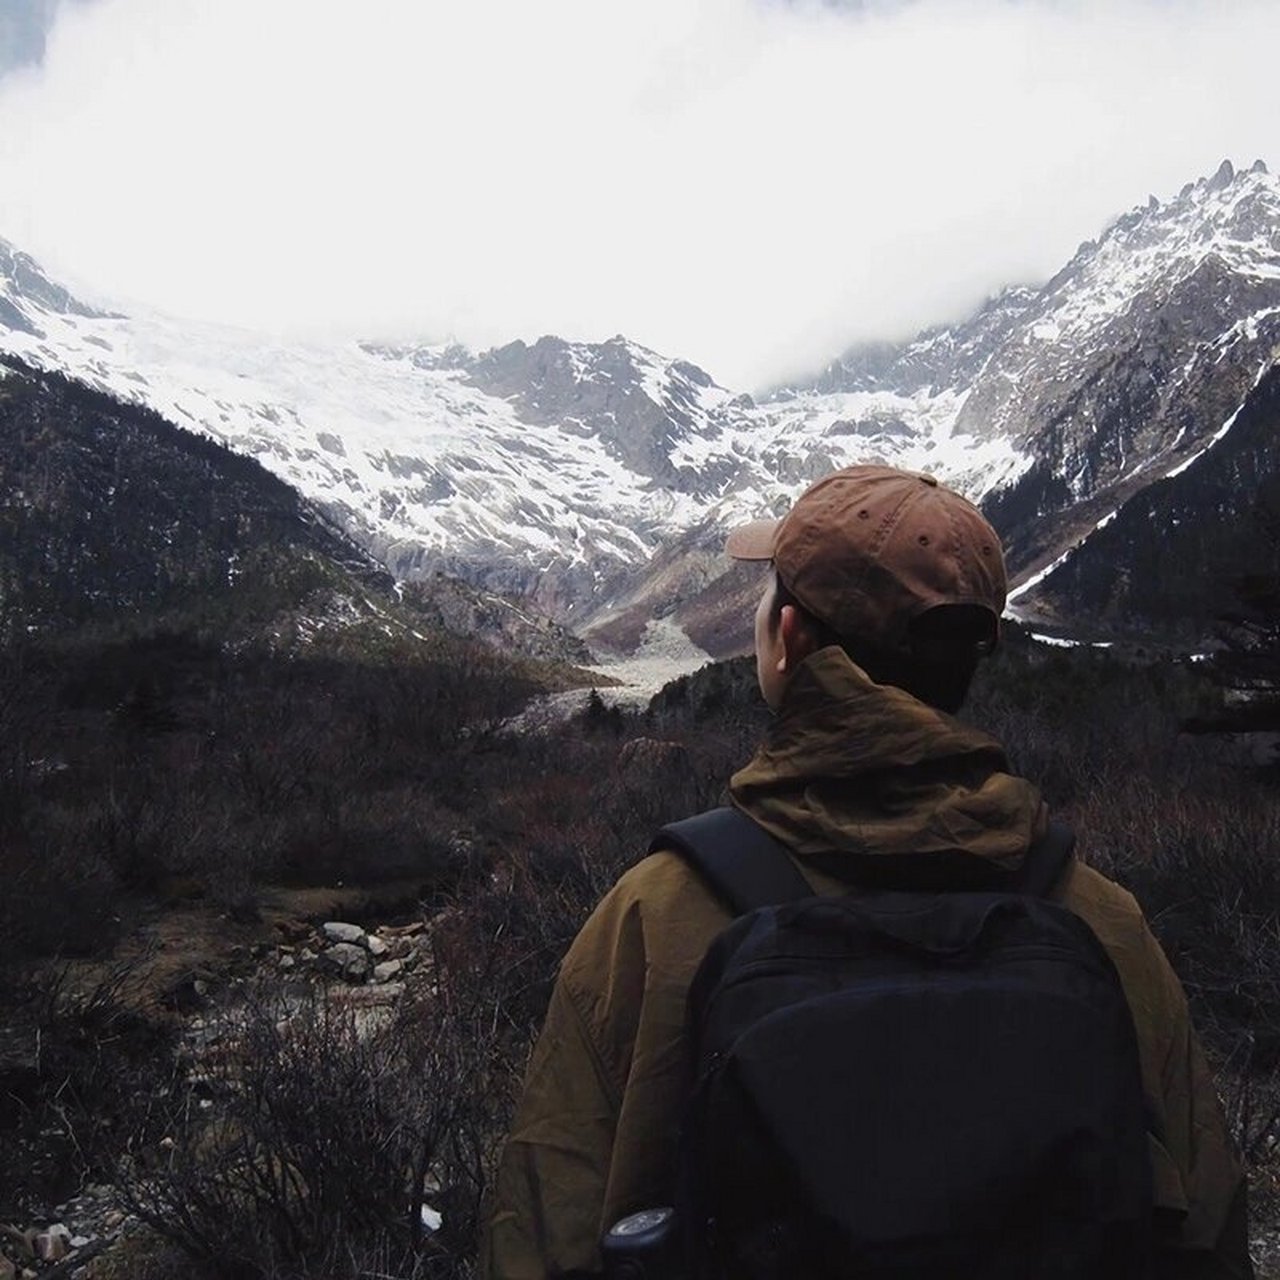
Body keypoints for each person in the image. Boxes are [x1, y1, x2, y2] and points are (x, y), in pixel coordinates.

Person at [481, 464, 1252, 1279]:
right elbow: (1205, 1222)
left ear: (790, 641)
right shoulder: (1098, 916)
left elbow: (546, 1216)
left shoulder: (655, 914)